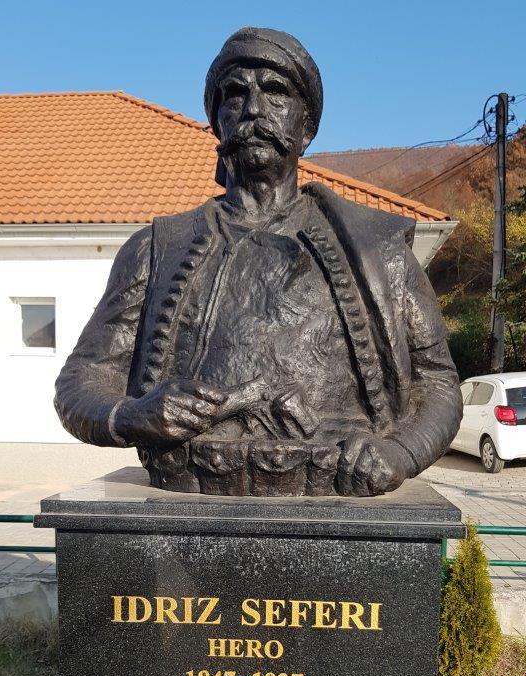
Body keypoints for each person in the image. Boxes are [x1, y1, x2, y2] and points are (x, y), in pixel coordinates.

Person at [54, 27, 462, 497]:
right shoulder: (154, 250)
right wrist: (132, 414)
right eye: (234, 94)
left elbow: (437, 384)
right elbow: (79, 383)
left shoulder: (377, 252)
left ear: (306, 127)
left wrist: (400, 453)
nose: (253, 108)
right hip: (184, 489)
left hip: (334, 495)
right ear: (217, 122)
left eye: (275, 91)